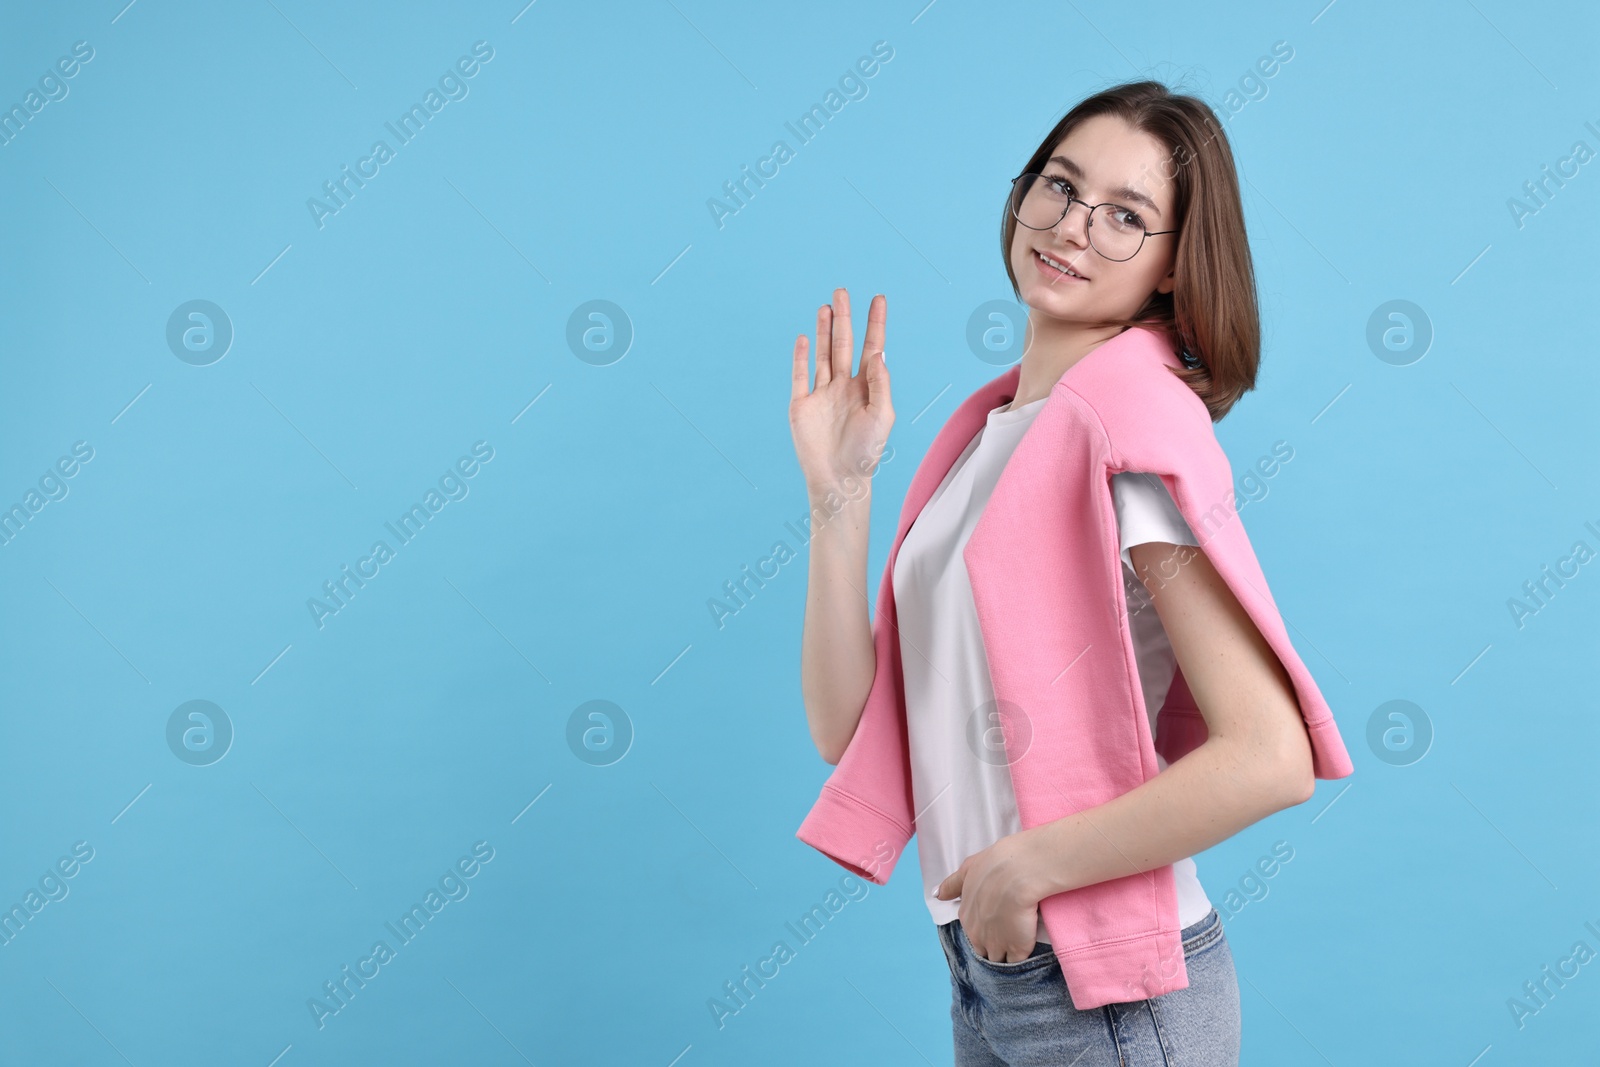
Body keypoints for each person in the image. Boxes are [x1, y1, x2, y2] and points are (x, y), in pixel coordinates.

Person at [788, 80, 1324, 1065]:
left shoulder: (1130, 433)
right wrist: (841, 492)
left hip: (1103, 989)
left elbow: (1269, 753)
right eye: (1060, 186)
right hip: (988, 969)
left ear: (1173, 267)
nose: (1074, 227)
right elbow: (846, 728)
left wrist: (1026, 866)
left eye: (1126, 216)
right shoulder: (987, 438)